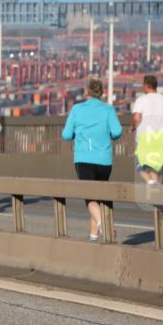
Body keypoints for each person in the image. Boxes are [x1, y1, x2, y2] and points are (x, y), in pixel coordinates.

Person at [62, 79, 123, 242]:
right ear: (102, 93)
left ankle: (105, 225)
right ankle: (93, 238)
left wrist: (78, 133)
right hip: (104, 161)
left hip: (84, 159)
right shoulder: (108, 110)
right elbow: (117, 131)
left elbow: (66, 135)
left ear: (86, 92)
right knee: (98, 197)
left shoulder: (77, 109)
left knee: (90, 198)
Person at [131, 74, 163, 185]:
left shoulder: (141, 100)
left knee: (140, 166)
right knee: (153, 168)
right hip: (160, 138)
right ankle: (156, 194)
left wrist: (133, 126)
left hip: (145, 138)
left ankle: (151, 184)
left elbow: (137, 118)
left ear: (146, 86)